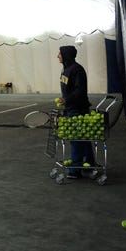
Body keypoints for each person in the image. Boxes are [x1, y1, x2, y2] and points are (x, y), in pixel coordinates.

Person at [57, 45, 93, 178]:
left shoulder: (77, 70)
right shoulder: (65, 69)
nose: (57, 56)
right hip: (71, 108)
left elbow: (80, 91)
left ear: (66, 55)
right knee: (83, 137)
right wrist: (66, 100)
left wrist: (66, 99)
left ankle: (75, 169)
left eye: (59, 54)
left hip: (78, 109)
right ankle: (88, 166)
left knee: (76, 138)